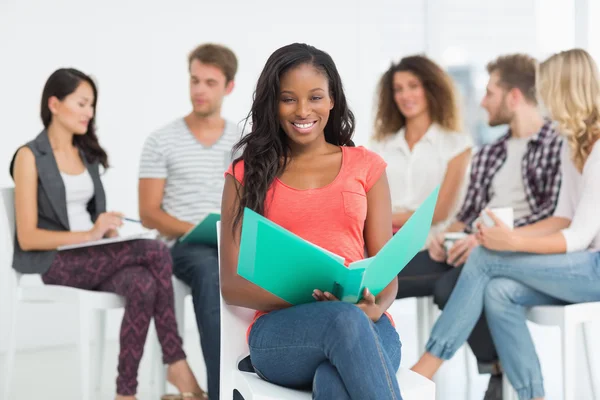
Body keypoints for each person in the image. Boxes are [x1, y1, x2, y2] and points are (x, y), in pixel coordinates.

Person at [411, 48, 600, 400]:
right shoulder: (570, 143)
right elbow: (561, 216)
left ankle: (424, 369)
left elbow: (578, 236)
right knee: (498, 292)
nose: (540, 99)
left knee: (485, 259)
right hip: (581, 262)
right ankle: (533, 396)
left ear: (563, 90)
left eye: (547, 89)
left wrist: (507, 243)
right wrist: (504, 236)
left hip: (594, 266)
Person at [220, 43, 402, 399]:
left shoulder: (366, 167)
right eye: (289, 98)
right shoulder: (245, 174)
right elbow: (232, 284)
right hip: (281, 336)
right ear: (273, 103)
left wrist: (375, 307)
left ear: (332, 100)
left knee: (332, 382)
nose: (303, 110)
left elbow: (387, 272)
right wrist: (315, 302)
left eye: (315, 97)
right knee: (342, 320)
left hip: (367, 325)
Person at [10, 68, 205, 400]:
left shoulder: (85, 155)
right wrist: (90, 233)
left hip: (89, 257)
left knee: (142, 283)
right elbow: (27, 237)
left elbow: (87, 218)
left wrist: (106, 230)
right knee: (156, 251)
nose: (89, 112)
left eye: (92, 106)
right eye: (82, 103)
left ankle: (124, 394)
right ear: (54, 104)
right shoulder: (29, 157)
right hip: (50, 262)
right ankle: (175, 359)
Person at [139, 43, 240, 400]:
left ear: (228, 87)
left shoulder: (243, 140)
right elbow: (149, 212)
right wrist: (198, 230)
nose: (199, 89)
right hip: (183, 246)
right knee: (211, 270)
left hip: (231, 241)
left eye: (210, 82)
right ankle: (220, 394)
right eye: (195, 80)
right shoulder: (161, 140)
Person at [369, 54, 472, 237]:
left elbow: (440, 213)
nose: (405, 95)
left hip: (430, 245)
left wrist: (383, 218)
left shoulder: (457, 145)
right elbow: (368, 204)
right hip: (383, 242)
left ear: (431, 89)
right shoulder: (381, 146)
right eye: (398, 89)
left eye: (413, 86)